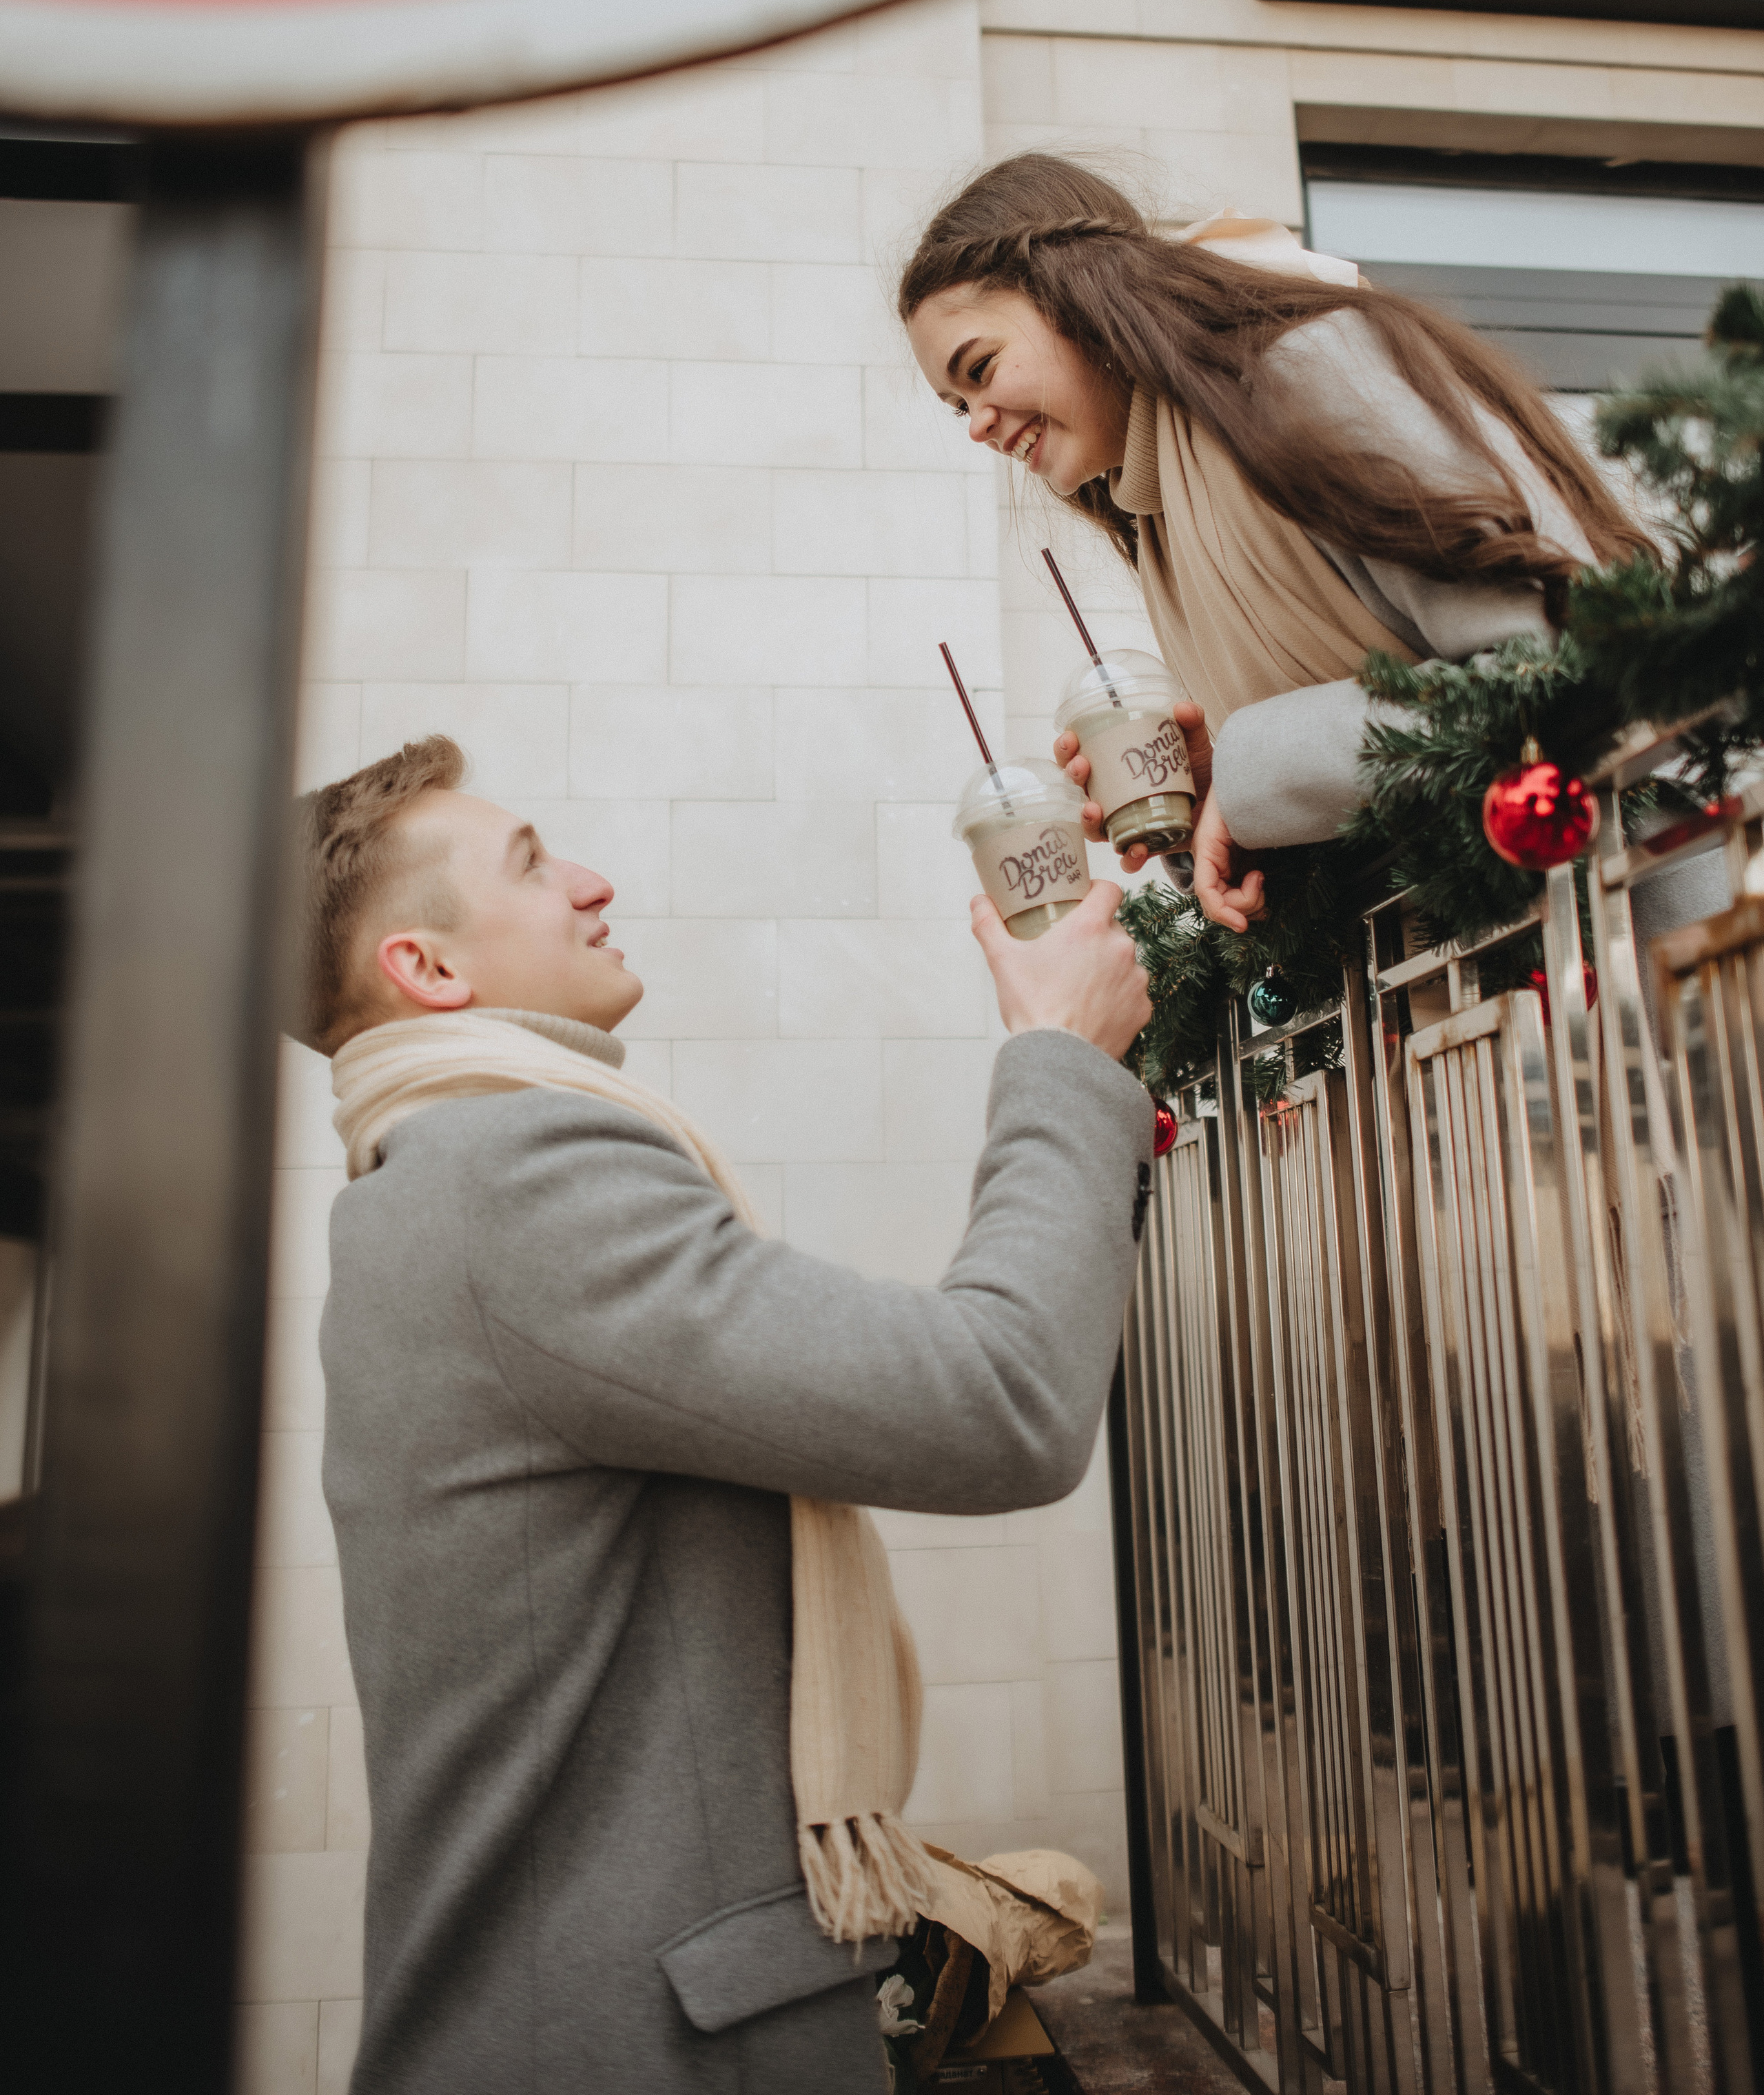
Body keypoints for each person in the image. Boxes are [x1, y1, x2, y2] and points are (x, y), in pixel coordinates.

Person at [296, 735, 1153, 2094]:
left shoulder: (429, 1185)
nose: (590, 882)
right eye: (531, 862)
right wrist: (1059, 1057)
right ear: (430, 971)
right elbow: (1002, 1403)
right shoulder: (508, 1178)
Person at [900, 153, 1652, 930]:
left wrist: (1250, 774)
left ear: (1073, 293)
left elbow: (1557, 667)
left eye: (981, 369)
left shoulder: (1307, 370)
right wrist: (1207, 800)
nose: (979, 427)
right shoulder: (1156, 516)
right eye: (958, 407)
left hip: (1632, 936)